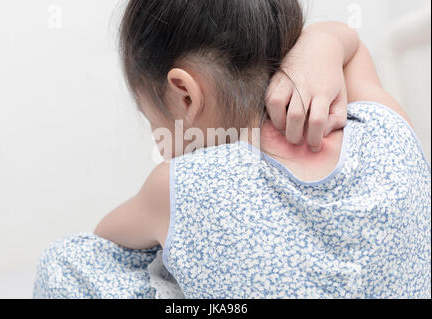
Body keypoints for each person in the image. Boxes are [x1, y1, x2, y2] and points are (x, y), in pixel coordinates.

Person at [33, 0, 431, 299]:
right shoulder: (388, 130)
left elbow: (105, 242)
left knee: (66, 260)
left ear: (185, 95)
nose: (159, 141)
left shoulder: (177, 188)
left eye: (152, 121)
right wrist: (323, 41)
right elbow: (354, 46)